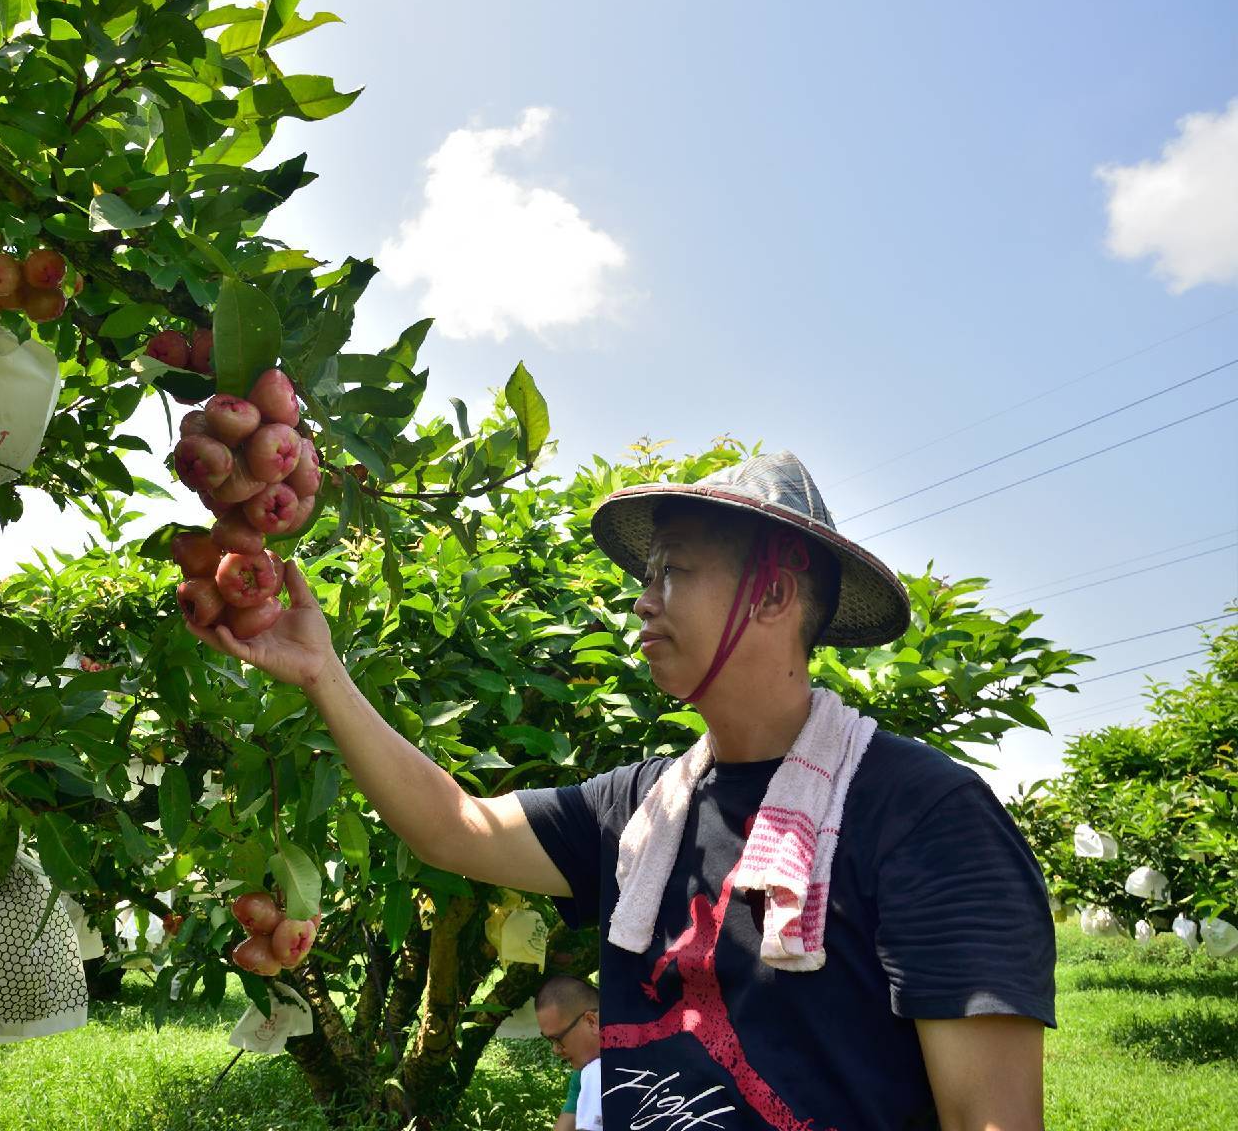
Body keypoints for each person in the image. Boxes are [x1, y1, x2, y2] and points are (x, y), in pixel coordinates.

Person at [190, 450, 1056, 1130]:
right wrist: (323, 676)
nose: (641, 603)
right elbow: (452, 828)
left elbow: (991, 1120)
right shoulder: (643, 808)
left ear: (774, 594)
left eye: (670, 571)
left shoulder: (924, 817)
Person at [537, 975, 602, 1131]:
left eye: (557, 1039)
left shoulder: (596, 1072)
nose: (555, 1050)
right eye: (550, 1041)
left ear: (591, 1022)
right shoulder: (584, 1073)